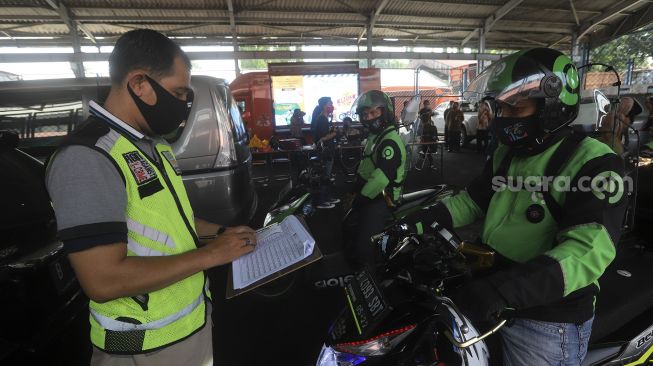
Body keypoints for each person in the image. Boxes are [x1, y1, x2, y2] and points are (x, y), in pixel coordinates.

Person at [45, 29, 257, 366]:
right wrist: (211, 255)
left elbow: (169, 221)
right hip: (142, 348)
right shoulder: (87, 159)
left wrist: (219, 234)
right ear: (139, 84)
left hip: (183, 330)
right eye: (177, 93)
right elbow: (102, 280)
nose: (183, 107)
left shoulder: (152, 145)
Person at [407, 48, 627, 365]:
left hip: (546, 319)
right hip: (490, 293)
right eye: (501, 109)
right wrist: (417, 221)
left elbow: (589, 251)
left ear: (553, 106)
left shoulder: (595, 162)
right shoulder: (507, 154)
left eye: (517, 109)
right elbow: (472, 201)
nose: (504, 119)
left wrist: (505, 290)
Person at [344, 90, 407, 269]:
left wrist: (359, 199)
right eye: (365, 114)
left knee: (364, 245)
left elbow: (380, 179)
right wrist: (354, 188)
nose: (369, 117)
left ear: (384, 112)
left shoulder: (389, 141)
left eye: (373, 112)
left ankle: (371, 276)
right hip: (370, 194)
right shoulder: (375, 137)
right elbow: (366, 168)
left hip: (382, 199)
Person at [313, 98, 339, 209]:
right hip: (325, 152)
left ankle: (327, 197)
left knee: (328, 176)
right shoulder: (322, 119)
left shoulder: (325, 118)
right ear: (324, 106)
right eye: (330, 104)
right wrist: (334, 133)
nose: (332, 105)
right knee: (325, 176)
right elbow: (322, 138)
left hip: (328, 151)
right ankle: (321, 201)